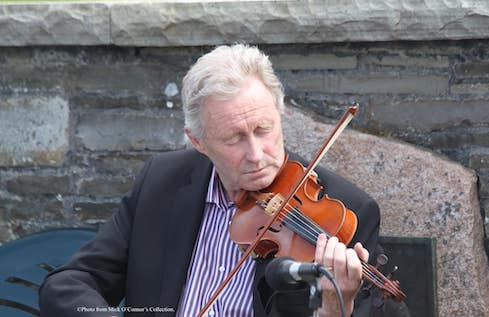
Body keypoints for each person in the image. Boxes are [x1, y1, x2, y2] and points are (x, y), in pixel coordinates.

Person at [39, 44, 381, 317]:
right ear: (198, 142)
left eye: (264, 130)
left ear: (280, 115)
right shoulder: (162, 181)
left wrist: (334, 310)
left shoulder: (344, 211)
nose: (256, 153)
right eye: (234, 139)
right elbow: (68, 284)